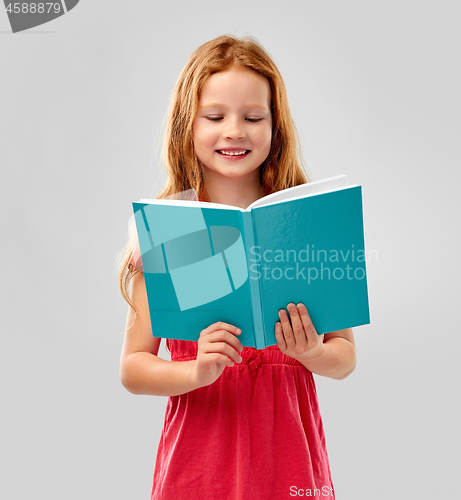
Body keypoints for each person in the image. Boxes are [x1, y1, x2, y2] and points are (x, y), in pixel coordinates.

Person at [117, 35, 356, 500]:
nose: (235, 131)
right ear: (189, 124)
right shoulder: (168, 229)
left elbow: (345, 358)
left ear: (275, 126)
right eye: (215, 116)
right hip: (200, 468)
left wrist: (311, 352)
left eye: (253, 117)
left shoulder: (309, 222)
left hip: (289, 463)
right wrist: (195, 372)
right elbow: (133, 366)